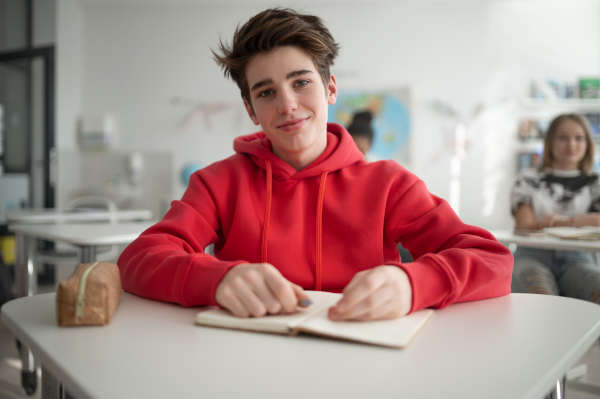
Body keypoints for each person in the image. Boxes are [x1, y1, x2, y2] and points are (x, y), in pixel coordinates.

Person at [118, 8, 513, 321]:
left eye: (301, 82)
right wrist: (217, 279)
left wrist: (413, 284)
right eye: (266, 92)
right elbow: (139, 258)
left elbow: (493, 261)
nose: (287, 104)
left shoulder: (389, 184)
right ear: (251, 110)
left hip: (361, 359)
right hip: (244, 362)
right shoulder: (218, 182)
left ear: (331, 88)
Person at [510, 113, 600, 304]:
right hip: (532, 255)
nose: (571, 144)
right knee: (541, 299)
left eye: (579, 138)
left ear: (587, 143)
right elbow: (524, 225)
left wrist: (562, 222)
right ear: (550, 141)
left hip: (579, 259)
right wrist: (582, 222)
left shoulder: (596, 182)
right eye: (563, 137)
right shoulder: (528, 179)